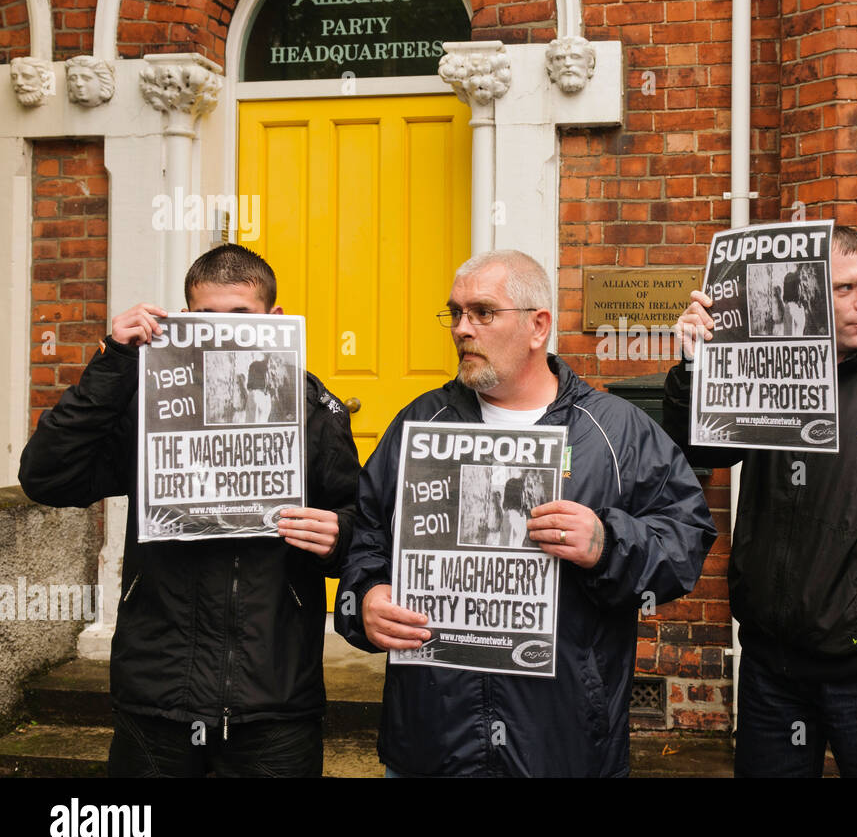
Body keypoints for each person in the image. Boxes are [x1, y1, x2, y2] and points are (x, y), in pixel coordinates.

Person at [335, 249, 715, 777]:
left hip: (563, 746)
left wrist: (607, 542)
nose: (462, 329)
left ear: (539, 326)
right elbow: (368, 533)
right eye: (456, 313)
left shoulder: (616, 432)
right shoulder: (421, 423)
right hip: (433, 744)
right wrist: (366, 598)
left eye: (483, 312)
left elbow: (685, 542)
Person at [18, 243, 360, 777]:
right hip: (158, 696)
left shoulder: (317, 411)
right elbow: (47, 477)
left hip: (275, 701)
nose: (222, 332)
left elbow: (360, 532)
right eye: (205, 318)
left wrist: (339, 535)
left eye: (239, 317)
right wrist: (114, 360)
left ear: (274, 320)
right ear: (181, 321)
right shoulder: (146, 403)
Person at [663, 226, 857, 777]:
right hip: (769, 668)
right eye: (845, 288)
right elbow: (698, 448)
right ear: (808, 291)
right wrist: (695, 368)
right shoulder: (759, 377)